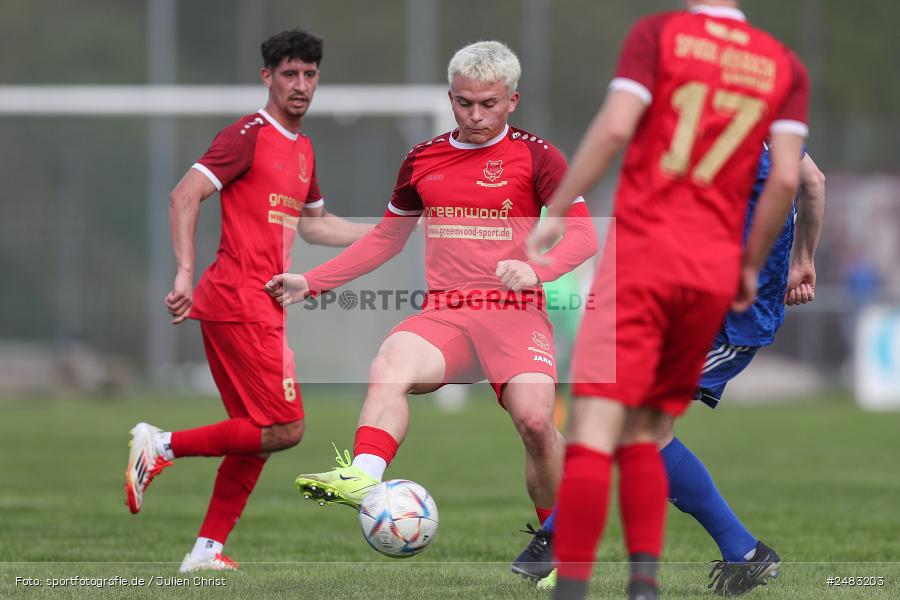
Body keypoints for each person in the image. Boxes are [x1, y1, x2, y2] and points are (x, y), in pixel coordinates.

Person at [526, 2, 811, 598]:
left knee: (604, 421)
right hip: (711, 275)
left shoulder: (662, 37)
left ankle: (574, 578)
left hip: (646, 257)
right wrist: (757, 264)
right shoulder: (780, 66)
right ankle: (650, 581)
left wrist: (555, 215)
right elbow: (794, 179)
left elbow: (611, 127)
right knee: (642, 428)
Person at [265, 41, 597, 525]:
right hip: (446, 315)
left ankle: (558, 537)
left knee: (536, 424)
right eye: (464, 103)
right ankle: (363, 474)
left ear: (512, 101)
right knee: (390, 363)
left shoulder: (538, 157)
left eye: (489, 104)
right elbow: (386, 238)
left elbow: (584, 236)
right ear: (450, 97)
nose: (476, 115)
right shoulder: (423, 159)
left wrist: (536, 270)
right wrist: (310, 282)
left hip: (515, 316)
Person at [123, 29, 372, 572]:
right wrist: (185, 271)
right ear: (267, 77)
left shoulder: (302, 149)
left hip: (259, 306)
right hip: (240, 301)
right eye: (289, 74)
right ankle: (159, 445)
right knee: (286, 427)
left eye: (309, 74)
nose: (300, 84)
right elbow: (184, 195)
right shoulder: (248, 135)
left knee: (256, 434)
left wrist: (383, 235)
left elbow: (316, 225)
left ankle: (206, 550)